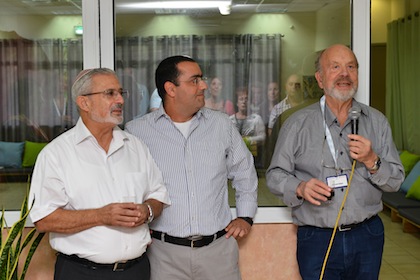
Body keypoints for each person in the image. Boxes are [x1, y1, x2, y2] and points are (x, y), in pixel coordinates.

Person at [266, 44, 404, 280]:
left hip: (367, 235)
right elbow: (275, 175)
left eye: (351, 67)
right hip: (317, 237)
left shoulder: (377, 122)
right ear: (320, 79)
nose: (344, 74)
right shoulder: (297, 123)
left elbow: (395, 182)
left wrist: (372, 160)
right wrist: (300, 187)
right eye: (335, 67)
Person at [28, 68, 171, 280]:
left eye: (121, 92)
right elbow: (43, 219)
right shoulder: (56, 154)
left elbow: (158, 195)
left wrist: (147, 211)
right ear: (84, 103)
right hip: (80, 273)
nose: (120, 100)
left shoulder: (136, 147)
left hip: (137, 271)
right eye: (110, 93)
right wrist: (101, 216)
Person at [125, 55, 258, 280]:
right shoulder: (137, 132)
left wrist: (245, 216)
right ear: (171, 89)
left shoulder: (221, 125)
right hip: (162, 255)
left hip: (218, 252)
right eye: (194, 80)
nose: (204, 85)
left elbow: (244, 173)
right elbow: (128, 186)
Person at [230, 87, 266, 169]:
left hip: (252, 160)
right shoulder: (230, 120)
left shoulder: (256, 119)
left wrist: (247, 140)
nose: (244, 101)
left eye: (246, 99)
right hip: (233, 161)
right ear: (237, 102)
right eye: (241, 99)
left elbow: (262, 138)